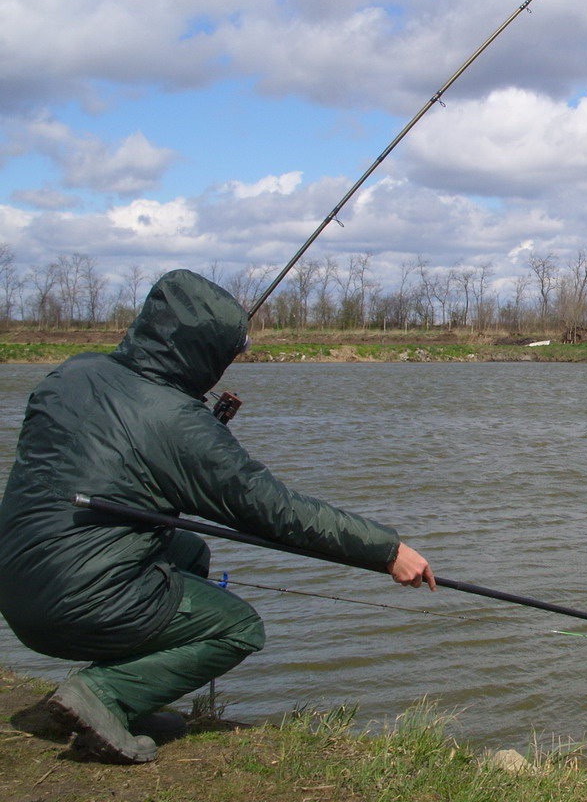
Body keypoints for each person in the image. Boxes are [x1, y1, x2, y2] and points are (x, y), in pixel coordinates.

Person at [0, 269, 435, 764]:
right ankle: (104, 694)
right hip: (70, 604)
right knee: (238, 627)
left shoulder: (72, 373)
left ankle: (133, 697)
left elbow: (114, 457)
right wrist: (386, 550)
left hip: (13, 583)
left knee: (188, 549)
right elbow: (275, 510)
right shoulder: (177, 424)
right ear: (205, 351)